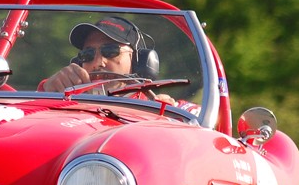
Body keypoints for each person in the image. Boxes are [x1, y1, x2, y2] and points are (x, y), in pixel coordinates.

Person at [39, 15, 197, 113]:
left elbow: (208, 118)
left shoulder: (156, 106)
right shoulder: (66, 103)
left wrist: (172, 112)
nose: (98, 63)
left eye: (110, 51)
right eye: (88, 54)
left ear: (138, 60)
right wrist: (47, 92)